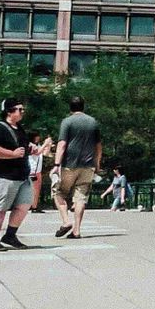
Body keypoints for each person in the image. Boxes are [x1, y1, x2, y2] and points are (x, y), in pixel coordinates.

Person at [0, 97, 36, 252]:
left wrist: (31, 148)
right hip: (2, 176)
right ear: (9, 112)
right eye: (19, 109)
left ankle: (10, 235)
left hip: (21, 176)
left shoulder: (19, 128)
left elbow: (21, 147)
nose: (22, 112)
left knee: (24, 205)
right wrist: (12, 154)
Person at [52, 96, 103, 240]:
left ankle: (66, 222)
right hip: (88, 166)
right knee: (80, 198)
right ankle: (77, 230)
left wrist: (56, 164)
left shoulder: (67, 122)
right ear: (83, 106)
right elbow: (98, 146)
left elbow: (62, 144)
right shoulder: (93, 122)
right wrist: (97, 164)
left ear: (70, 108)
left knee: (58, 192)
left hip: (69, 165)